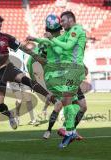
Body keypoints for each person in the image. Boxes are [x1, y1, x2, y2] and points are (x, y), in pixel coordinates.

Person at [0, 11, 55, 130]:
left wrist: (35, 56)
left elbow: (22, 47)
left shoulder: (6, 38)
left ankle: (48, 95)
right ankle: (10, 115)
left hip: (8, 68)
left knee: (25, 79)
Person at [26, 12, 87, 148]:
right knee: (66, 104)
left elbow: (32, 60)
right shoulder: (52, 41)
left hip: (71, 73)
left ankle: (69, 130)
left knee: (82, 107)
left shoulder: (65, 35)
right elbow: (35, 59)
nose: (61, 29)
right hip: (62, 76)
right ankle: (64, 131)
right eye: (59, 27)